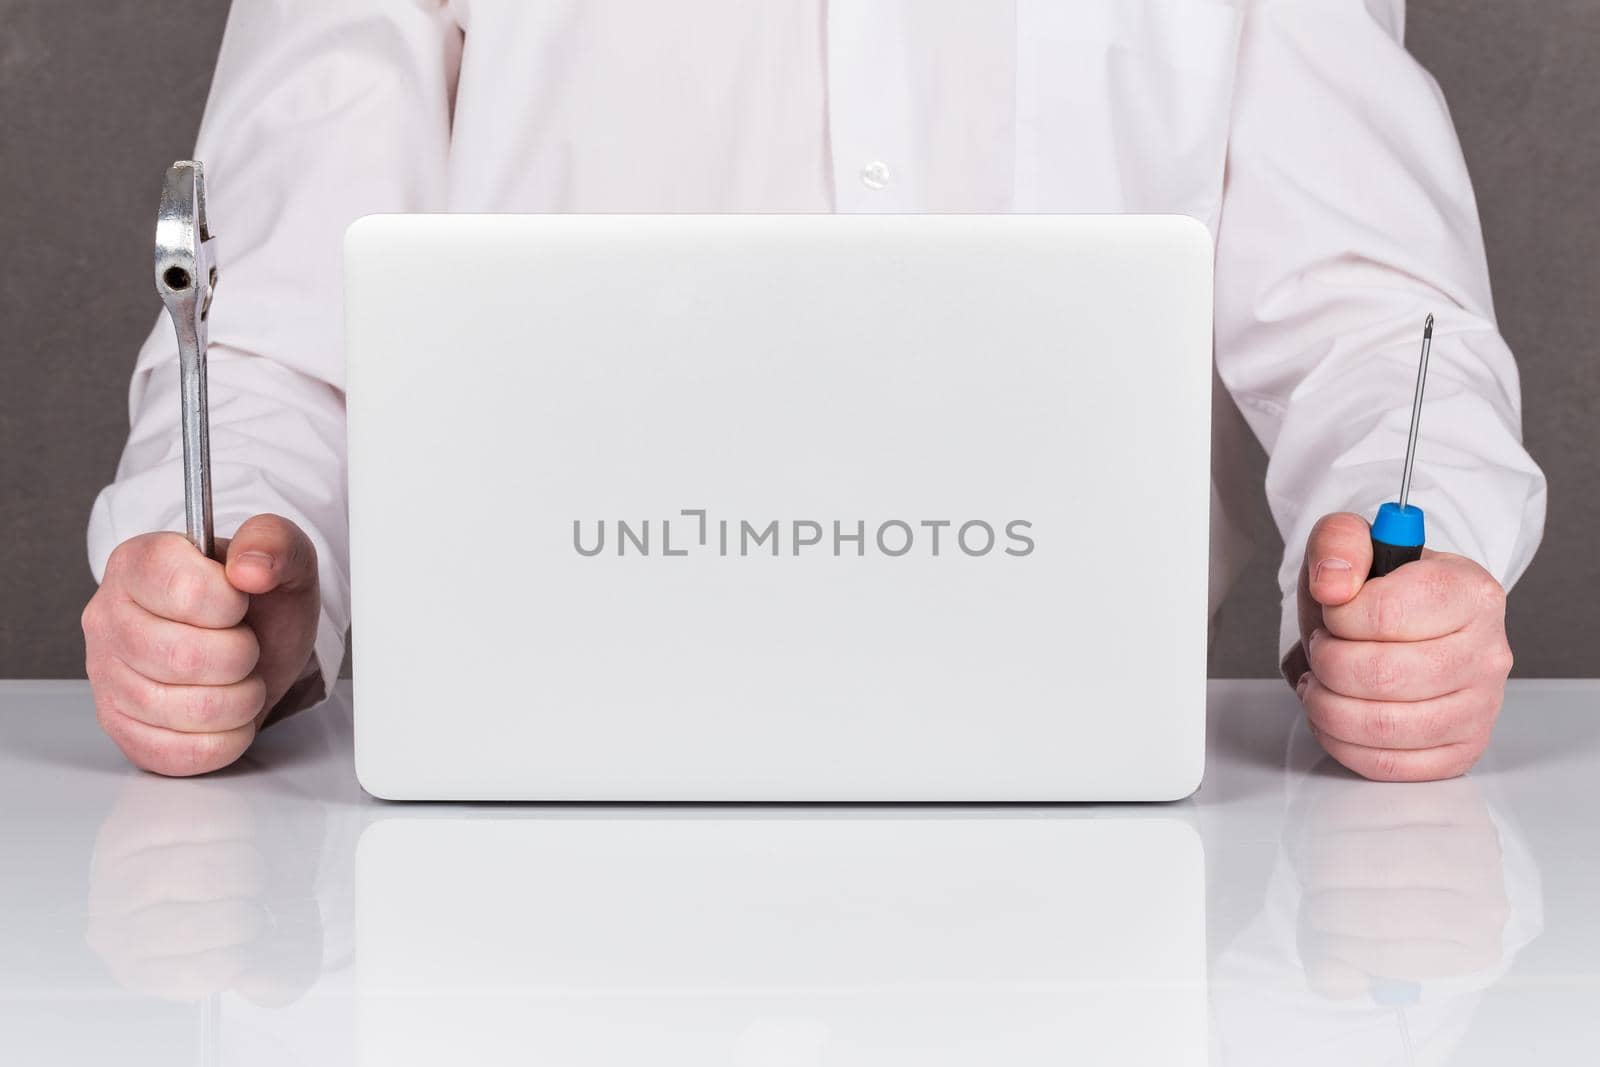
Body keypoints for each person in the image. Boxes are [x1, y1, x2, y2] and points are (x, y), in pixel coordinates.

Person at [81, 1, 1545, 781]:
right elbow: (272, 317)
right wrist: (244, 563)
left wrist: (1406, 559)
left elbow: (1373, 317)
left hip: (1088, 831)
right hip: (512, 802)